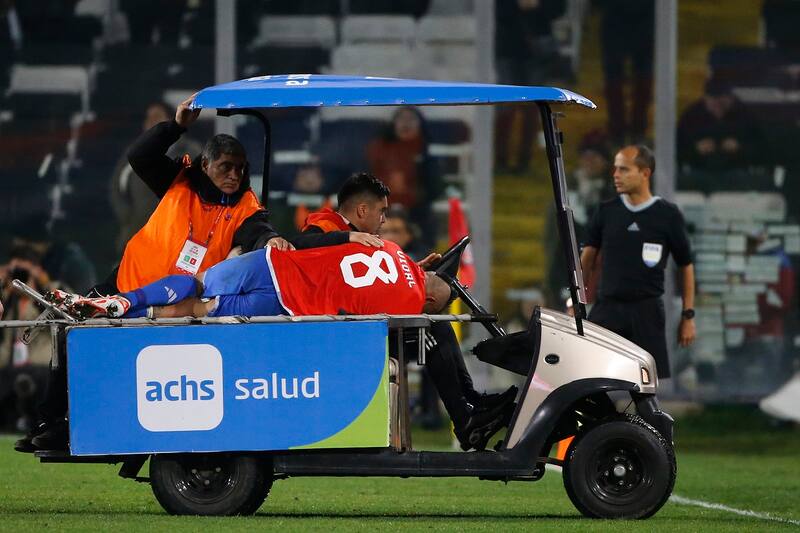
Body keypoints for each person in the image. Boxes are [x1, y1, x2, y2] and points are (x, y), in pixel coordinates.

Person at [15, 95, 291, 453]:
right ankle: (48, 423)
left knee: (112, 359)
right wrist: (176, 127)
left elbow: (258, 232)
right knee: (69, 335)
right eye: (226, 166)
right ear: (205, 164)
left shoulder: (246, 207)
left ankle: (76, 428)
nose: (235, 175)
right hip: (125, 283)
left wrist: (273, 239)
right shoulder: (179, 179)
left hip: (176, 306)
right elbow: (139, 157)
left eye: (240, 168)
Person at [47, 242, 512, 451]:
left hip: (275, 264)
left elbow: (367, 258)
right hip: (294, 303)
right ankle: (467, 412)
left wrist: (414, 263)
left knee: (198, 282)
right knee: (203, 308)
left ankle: (121, 302)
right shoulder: (412, 299)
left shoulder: (390, 250)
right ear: (430, 296)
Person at [294, 175, 517, 448]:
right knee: (429, 331)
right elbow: (300, 247)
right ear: (362, 210)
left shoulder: (363, 239)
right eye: (381, 211)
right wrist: (350, 236)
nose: (383, 220)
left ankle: (470, 405)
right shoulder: (327, 225)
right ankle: (466, 420)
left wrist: (415, 270)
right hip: (343, 334)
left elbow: (369, 282)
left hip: (366, 327)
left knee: (437, 324)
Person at [580, 145, 697, 378]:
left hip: (647, 310)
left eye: (624, 169)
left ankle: (637, 416)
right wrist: (575, 300)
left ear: (645, 173)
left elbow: (686, 266)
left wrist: (688, 316)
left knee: (645, 387)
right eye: (615, 169)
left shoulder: (667, 215)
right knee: (587, 374)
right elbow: (587, 259)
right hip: (608, 308)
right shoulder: (606, 211)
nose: (615, 175)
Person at [110, 101, 202, 255]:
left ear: (172, 118)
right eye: (148, 118)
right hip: (138, 233)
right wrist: (128, 218)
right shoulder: (133, 154)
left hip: (178, 239)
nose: (151, 121)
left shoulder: (191, 151)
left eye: (157, 117)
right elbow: (115, 189)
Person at [366, 107, 444, 248]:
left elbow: (435, 189)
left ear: (420, 124)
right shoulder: (378, 149)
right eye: (402, 119)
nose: (405, 124)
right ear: (393, 123)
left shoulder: (427, 155)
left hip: (416, 211)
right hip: (381, 208)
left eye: (411, 119)